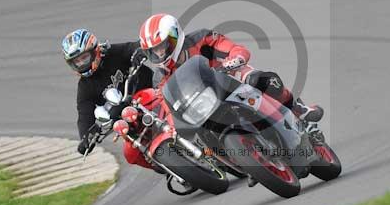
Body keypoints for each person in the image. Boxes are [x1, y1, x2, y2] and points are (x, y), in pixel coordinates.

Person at [137, 13, 323, 122]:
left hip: (228, 75)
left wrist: (234, 59)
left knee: (260, 79)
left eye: (162, 46)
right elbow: (168, 105)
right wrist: (172, 124)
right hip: (202, 102)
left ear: (175, 36)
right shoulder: (159, 78)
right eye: (154, 50)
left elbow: (234, 48)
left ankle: (296, 107)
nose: (160, 53)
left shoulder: (201, 38)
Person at [61, 28, 153, 155]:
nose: (82, 64)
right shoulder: (85, 87)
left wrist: (139, 51)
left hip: (150, 92)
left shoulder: (112, 53)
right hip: (128, 117)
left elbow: (132, 47)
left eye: (84, 58)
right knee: (131, 154)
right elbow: (84, 114)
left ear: (95, 50)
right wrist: (85, 138)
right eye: (77, 62)